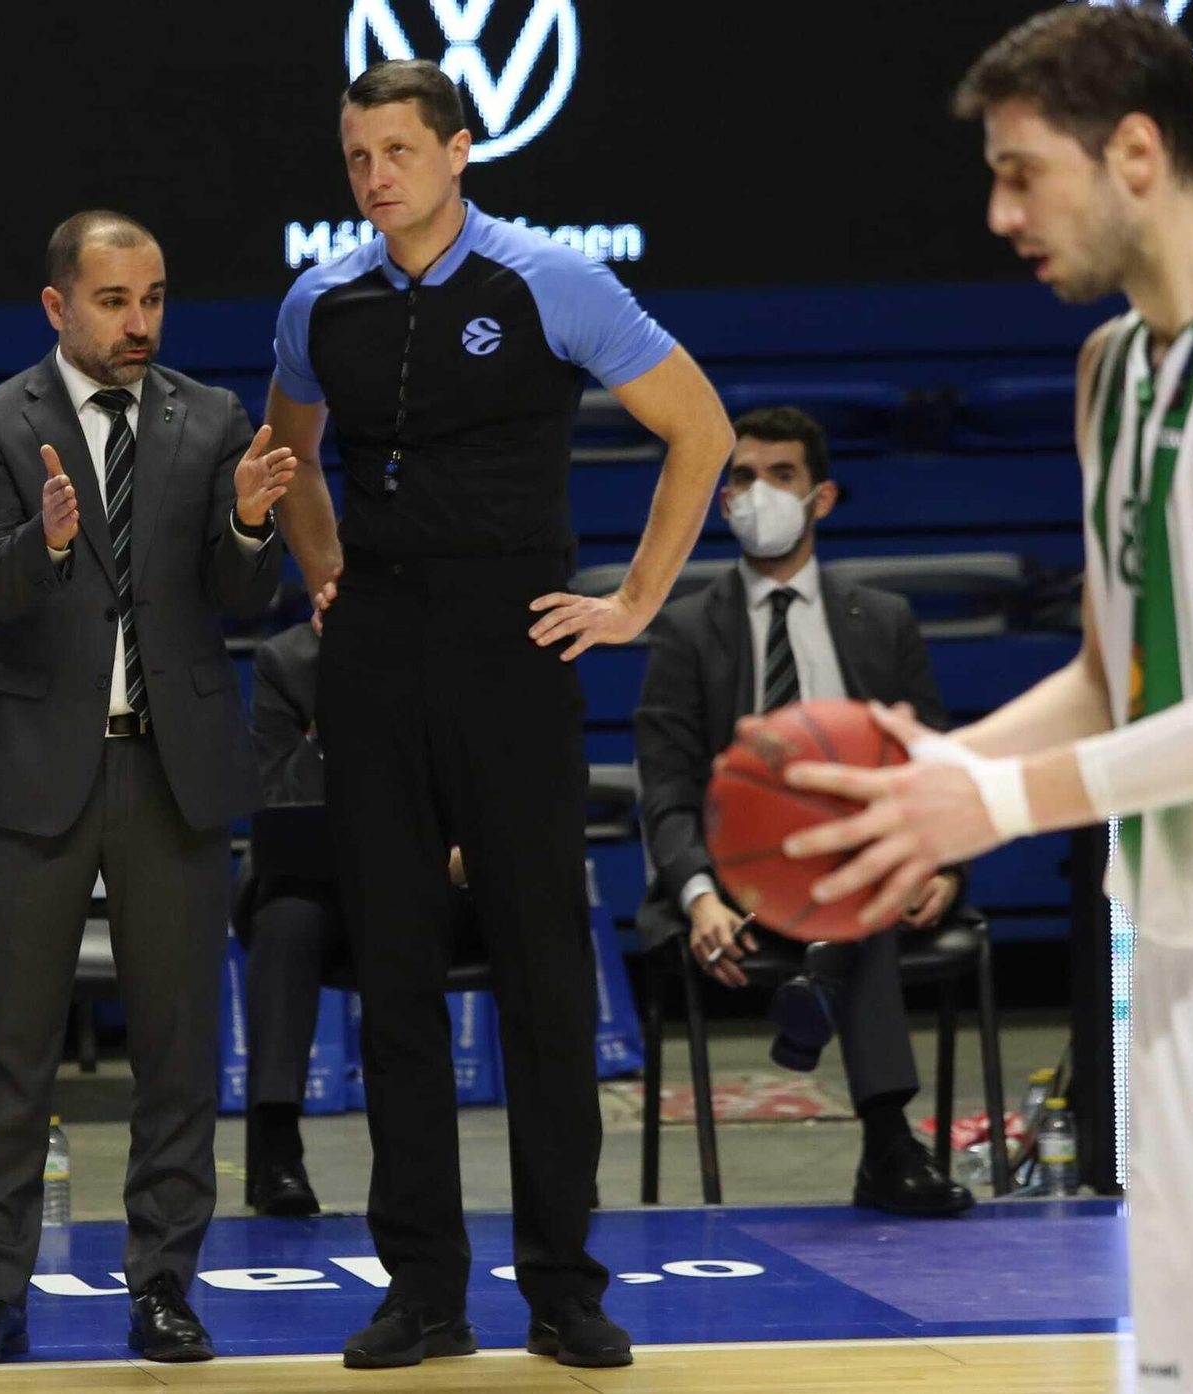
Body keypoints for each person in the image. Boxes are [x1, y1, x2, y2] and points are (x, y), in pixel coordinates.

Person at [774, 9, 1193, 1391]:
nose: (997, 210)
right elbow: (1109, 677)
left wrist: (997, 797)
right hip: (1161, 947)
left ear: (1137, 151)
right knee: (1187, 1373)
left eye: (1024, 171)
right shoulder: (1110, 371)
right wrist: (941, 776)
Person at [267, 59, 735, 1372]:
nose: (375, 177)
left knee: (541, 973)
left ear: (459, 151)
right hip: (375, 654)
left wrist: (637, 600)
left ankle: (565, 1288)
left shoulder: (549, 280)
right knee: (398, 973)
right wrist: (320, 570)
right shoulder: (322, 299)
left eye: (399, 152)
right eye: (358, 156)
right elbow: (287, 451)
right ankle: (422, 1289)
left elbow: (698, 426)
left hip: (515, 646)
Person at [0, 210, 290, 1369]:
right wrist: (42, 541)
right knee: (10, 1047)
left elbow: (242, 593)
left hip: (169, 766)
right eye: (114, 301)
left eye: (154, 299)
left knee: (178, 1049)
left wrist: (245, 518)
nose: (139, 323)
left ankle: (165, 1286)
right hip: (35, 770)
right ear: (57, 306)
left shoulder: (212, 417)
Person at [634, 406, 971, 1217]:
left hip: (863, 865)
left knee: (871, 891)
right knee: (857, 904)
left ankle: (882, 1133)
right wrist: (699, 896)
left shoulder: (883, 622)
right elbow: (668, 788)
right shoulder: (685, 631)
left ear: (821, 497)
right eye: (742, 478)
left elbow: (935, 760)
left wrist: (940, 860)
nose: (759, 494)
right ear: (721, 505)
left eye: (780, 476)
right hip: (736, 885)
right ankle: (888, 1137)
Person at [237, 620, 479, 1217]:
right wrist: (334, 714)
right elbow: (278, 797)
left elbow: (481, 778)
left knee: (402, 923)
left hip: (431, 880)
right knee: (286, 921)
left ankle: (412, 1161)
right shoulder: (285, 662)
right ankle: (276, 1149)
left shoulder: (444, 650)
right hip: (318, 888)